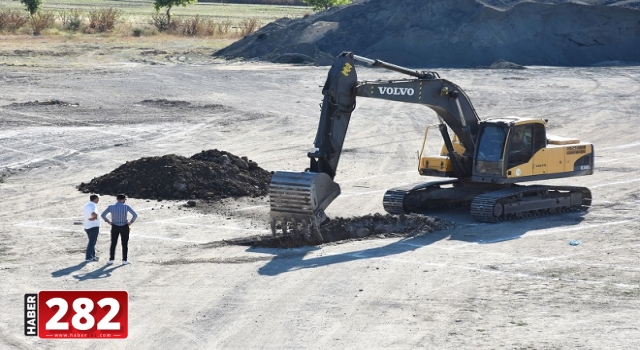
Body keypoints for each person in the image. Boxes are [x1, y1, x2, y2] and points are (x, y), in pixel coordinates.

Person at [101, 194, 138, 265]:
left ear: (117, 199)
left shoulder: (111, 207)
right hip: (124, 226)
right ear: (123, 200)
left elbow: (103, 215)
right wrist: (131, 222)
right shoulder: (126, 207)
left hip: (115, 226)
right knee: (124, 244)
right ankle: (124, 260)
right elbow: (135, 215)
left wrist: (108, 222)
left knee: (113, 243)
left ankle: (111, 259)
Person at [82, 194, 101, 262]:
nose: (98, 200)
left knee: (91, 241)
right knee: (92, 242)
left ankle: (93, 256)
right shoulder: (93, 205)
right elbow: (93, 213)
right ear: (95, 199)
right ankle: (88, 257)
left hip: (87, 226)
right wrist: (94, 217)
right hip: (93, 226)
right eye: (98, 199)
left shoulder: (86, 205)